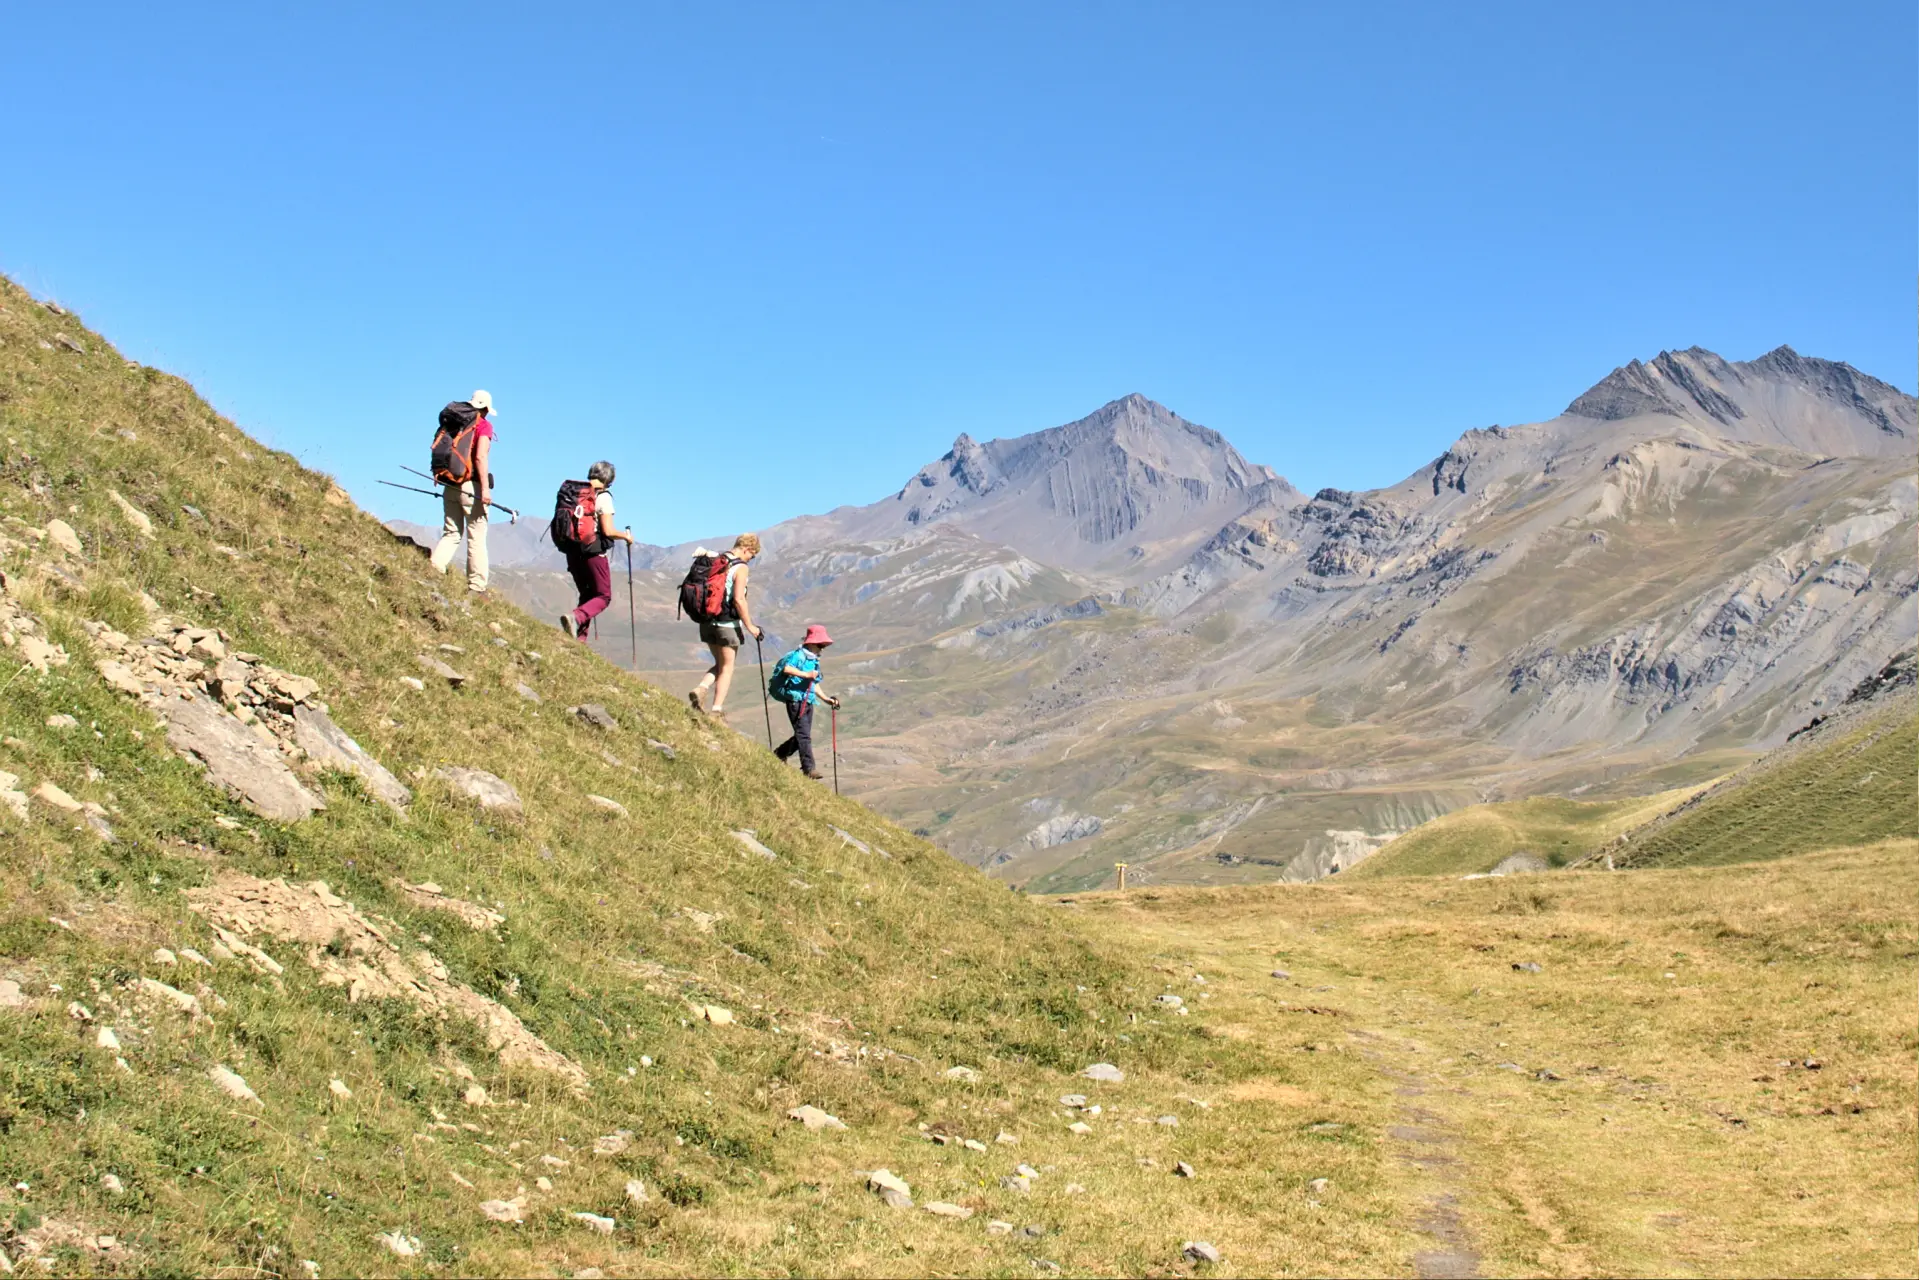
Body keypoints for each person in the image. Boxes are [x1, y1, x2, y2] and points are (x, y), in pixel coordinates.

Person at [558, 460, 635, 641]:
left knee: (587, 595)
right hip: (592, 552)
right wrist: (626, 536)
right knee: (603, 596)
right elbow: (607, 531)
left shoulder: (574, 492)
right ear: (609, 480)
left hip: (572, 550)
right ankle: (575, 617)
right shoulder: (603, 496)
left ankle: (579, 640)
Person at [687, 533, 762, 717]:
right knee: (727, 667)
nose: (750, 560)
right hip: (727, 624)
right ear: (747, 549)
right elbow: (739, 599)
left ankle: (701, 687)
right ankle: (716, 710)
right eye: (751, 556)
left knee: (720, 663)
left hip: (706, 621)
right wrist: (751, 626)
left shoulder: (715, 559)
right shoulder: (740, 567)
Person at [429, 389, 496, 593]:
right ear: (484, 409)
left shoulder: (455, 421)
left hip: (450, 483)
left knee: (451, 532)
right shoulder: (483, 425)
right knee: (476, 535)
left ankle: (434, 567)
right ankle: (476, 586)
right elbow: (480, 458)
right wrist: (484, 489)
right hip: (470, 486)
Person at [770, 625, 840, 780]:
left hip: (807, 700)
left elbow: (813, 683)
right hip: (795, 700)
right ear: (812, 643)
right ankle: (809, 769)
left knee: (803, 734)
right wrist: (806, 674)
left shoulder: (813, 659)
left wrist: (826, 699)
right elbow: (787, 669)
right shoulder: (799, 655)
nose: (823, 648)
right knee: (804, 735)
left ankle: (780, 753)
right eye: (821, 644)